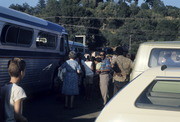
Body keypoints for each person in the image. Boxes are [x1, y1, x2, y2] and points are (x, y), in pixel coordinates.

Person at [1, 58, 28, 122]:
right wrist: (25, 120)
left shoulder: (3, 87)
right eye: (25, 70)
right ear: (21, 73)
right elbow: (17, 115)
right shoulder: (19, 90)